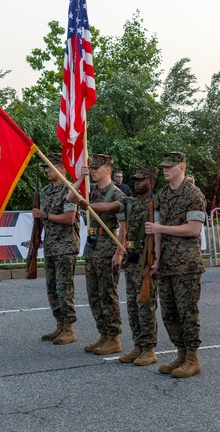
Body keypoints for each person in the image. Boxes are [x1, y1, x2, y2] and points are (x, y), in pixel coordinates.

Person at [146, 152, 207, 378]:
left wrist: (160, 229)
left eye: (170, 166)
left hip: (187, 264)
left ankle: (192, 358)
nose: (165, 170)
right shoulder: (161, 195)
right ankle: (180, 354)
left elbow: (193, 229)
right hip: (167, 264)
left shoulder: (194, 194)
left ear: (181, 167)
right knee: (169, 313)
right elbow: (157, 229)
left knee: (187, 312)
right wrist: (157, 259)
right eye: (163, 166)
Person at [73, 154, 126, 355]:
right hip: (93, 248)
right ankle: (103, 334)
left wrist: (119, 252)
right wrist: (80, 178)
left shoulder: (117, 194)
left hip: (107, 248)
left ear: (108, 170)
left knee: (108, 294)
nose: (93, 171)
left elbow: (123, 226)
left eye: (96, 168)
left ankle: (114, 337)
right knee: (93, 294)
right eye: (91, 168)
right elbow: (70, 197)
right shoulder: (92, 190)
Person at [111, 165, 161, 366]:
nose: (137, 182)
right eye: (136, 179)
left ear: (152, 181)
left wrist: (156, 260)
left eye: (141, 179)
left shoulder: (156, 204)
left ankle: (149, 349)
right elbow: (111, 206)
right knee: (132, 305)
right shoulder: (129, 202)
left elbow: (158, 233)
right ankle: (138, 345)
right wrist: (87, 205)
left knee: (146, 305)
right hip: (131, 260)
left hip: (146, 260)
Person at [33, 154, 80, 345]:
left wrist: (45, 215)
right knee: (51, 288)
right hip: (51, 246)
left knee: (64, 288)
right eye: (45, 167)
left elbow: (69, 218)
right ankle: (60, 324)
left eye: (50, 167)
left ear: (62, 168)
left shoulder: (68, 191)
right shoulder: (45, 191)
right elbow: (42, 220)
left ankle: (69, 328)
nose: (47, 170)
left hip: (66, 245)